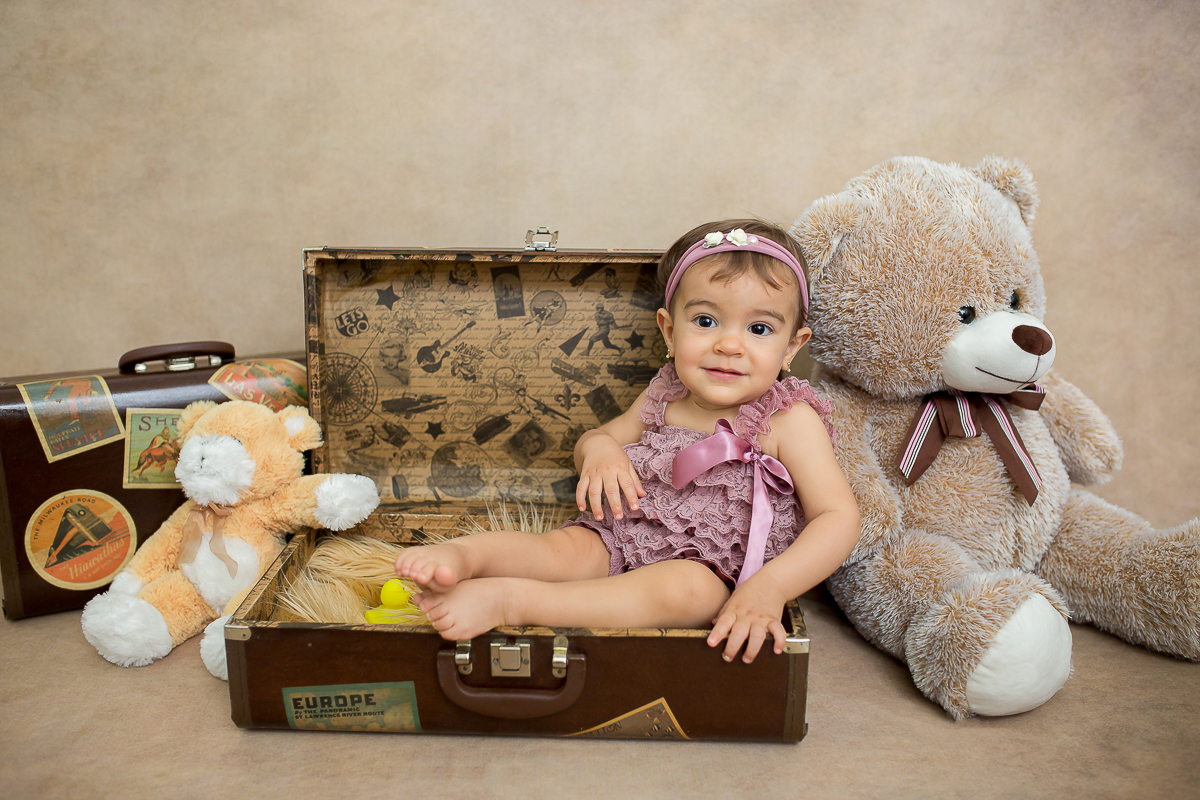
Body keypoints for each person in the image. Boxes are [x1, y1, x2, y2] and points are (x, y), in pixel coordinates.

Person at [396, 219, 861, 663]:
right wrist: (599, 450)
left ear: (792, 346)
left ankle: (514, 601)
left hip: (710, 571)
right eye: (705, 321)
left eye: (758, 329)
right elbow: (597, 438)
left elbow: (837, 518)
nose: (729, 345)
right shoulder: (664, 396)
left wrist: (771, 588)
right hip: (621, 534)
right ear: (668, 329)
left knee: (687, 592)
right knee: (563, 551)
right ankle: (465, 555)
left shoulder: (789, 420)